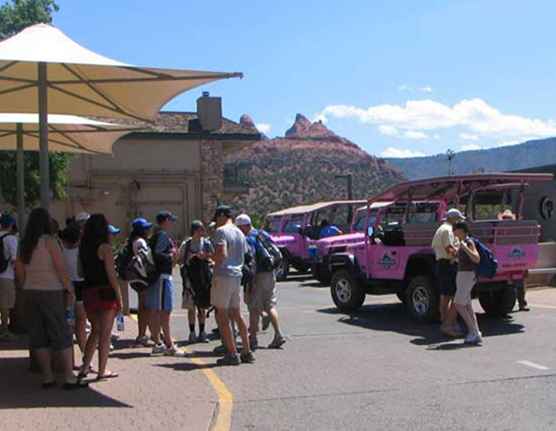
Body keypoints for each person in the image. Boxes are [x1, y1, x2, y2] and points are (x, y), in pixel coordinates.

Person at [14, 208, 87, 389]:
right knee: (61, 333)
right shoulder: (50, 242)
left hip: (30, 291)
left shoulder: (24, 244)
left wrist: (25, 285)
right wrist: (69, 288)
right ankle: (69, 376)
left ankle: (47, 377)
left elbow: (19, 269)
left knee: (38, 335)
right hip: (51, 291)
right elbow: (60, 268)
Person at [78, 214, 122, 380]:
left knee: (94, 331)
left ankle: (84, 367)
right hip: (105, 292)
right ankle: (102, 371)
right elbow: (111, 275)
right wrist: (119, 298)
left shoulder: (83, 247)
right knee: (105, 334)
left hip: (88, 291)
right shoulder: (105, 248)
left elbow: (80, 272)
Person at [211, 205, 255, 366]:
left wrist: (209, 257)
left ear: (222, 216)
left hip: (223, 275)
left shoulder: (221, 231)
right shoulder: (239, 233)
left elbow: (221, 254)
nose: (216, 222)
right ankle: (246, 350)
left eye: (217, 218)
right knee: (236, 313)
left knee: (222, 316)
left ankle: (231, 353)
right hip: (237, 276)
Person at [235, 214, 286, 350]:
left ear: (245, 226)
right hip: (270, 273)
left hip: (257, 276)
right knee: (270, 304)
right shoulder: (263, 234)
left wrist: (249, 280)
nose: (239, 231)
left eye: (240, 228)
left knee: (253, 307)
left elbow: (250, 259)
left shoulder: (249, 238)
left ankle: (253, 339)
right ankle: (278, 335)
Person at [146, 211, 185, 357]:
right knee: (164, 311)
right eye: (171, 220)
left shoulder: (156, 235)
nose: (172, 223)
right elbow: (158, 254)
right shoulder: (162, 235)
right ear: (166, 220)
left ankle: (158, 342)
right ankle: (168, 344)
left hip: (159, 277)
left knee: (157, 310)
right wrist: (171, 254)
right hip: (162, 276)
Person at [179, 220, 214, 343]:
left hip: (203, 278)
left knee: (202, 307)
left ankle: (202, 332)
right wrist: (191, 257)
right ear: (195, 230)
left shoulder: (207, 243)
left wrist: (205, 257)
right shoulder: (186, 244)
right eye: (201, 229)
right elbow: (180, 261)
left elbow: (213, 258)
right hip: (190, 279)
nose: (203, 232)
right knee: (191, 307)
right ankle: (192, 333)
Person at [432, 208, 464, 337]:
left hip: (444, 264)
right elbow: (449, 249)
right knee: (448, 295)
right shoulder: (447, 230)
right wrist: (460, 254)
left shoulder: (443, 229)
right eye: (458, 219)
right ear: (453, 218)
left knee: (447, 294)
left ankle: (447, 322)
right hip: (447, 264)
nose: (459, 222)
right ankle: (447, 324)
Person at [60, 224, 88, 360]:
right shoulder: (83, 251)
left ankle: (69, 360)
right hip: (81, 287)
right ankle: (85, 355)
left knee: (68, 326)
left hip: (65, 288)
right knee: (81, 323)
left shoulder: (60, 251)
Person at [452, 222, 483, 345]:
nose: (453, 231)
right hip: (464, 275)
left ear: (461, 230)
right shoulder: (462, 242)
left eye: (455, 229)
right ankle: (476, 332)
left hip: (467, 275)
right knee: (467, 305)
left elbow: (476, 258)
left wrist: (464, 248)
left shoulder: (468, 242)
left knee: (458, 304)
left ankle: (473, 332)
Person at [128, 217, 155, 346]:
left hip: (137, 277)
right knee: (145, 307)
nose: (149, 230)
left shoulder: (134, 240)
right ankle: (142, 335)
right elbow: (145, 259)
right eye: (146, 228)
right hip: (142, 277)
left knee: (142, 306)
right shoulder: (140, 242)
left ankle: (144, 333)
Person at [0, 213, 18, 341]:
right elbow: (14, 259)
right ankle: (5, 330)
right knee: (5, 304)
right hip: (6, 275)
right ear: (12, 225)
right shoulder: (11, 239)